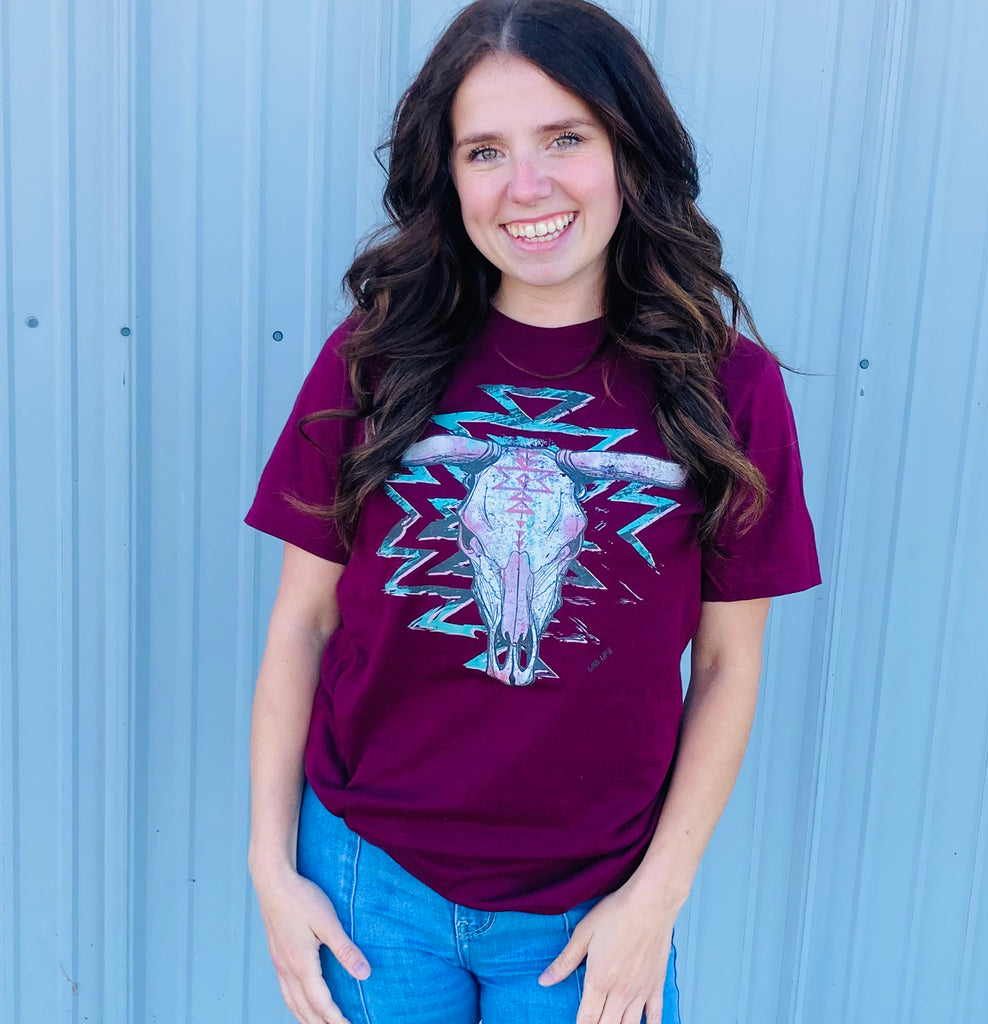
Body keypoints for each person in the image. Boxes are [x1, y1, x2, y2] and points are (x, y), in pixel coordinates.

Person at [244, 1, 822, 1022]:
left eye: (564, 138)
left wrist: (658, 895)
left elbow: (729, 663)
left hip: (590, 908)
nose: (526, 186)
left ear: (628, 150)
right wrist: (270, 864)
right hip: (368, 884)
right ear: (448, 174)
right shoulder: (374, 358)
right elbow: (303, 619)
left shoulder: (726, 386)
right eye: (485, 151)